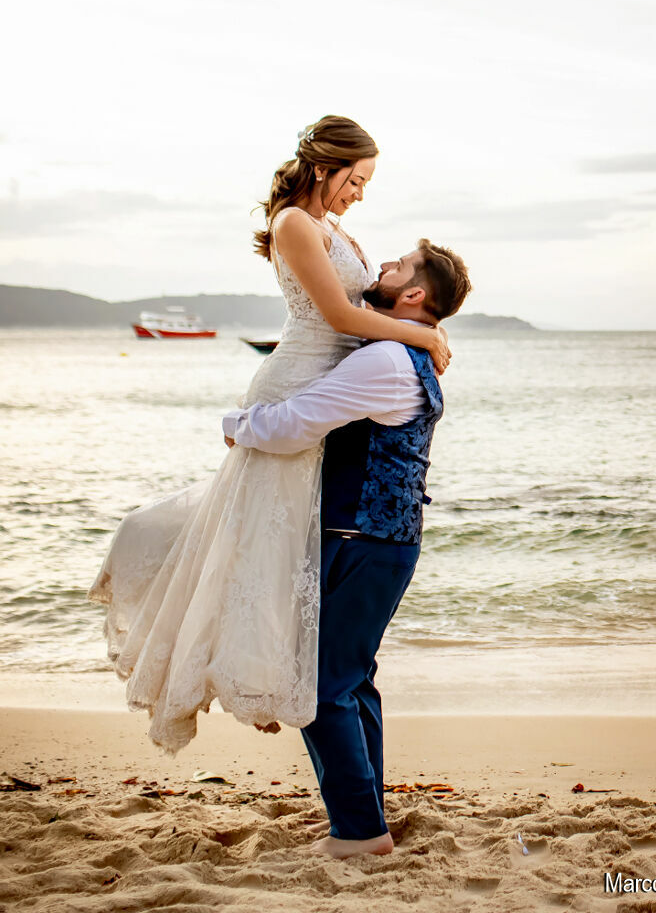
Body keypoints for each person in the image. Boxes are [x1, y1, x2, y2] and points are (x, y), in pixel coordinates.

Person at [89, 117, 449, 754]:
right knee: (265, 544)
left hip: (327, 387)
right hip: (295, 383)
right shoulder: (294, 223)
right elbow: (339, 315)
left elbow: (364, 311)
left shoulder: (334, 227)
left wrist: (418, 332)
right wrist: (424, 334)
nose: (360, 193)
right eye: (356, 179)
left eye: (366, 183)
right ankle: (257, 680)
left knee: (289, 547)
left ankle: (275, 676)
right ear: (324, 167)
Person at [222, 241, 470, 858]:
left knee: (324, 685)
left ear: (414, 294)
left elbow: (296, 423)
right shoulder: (405, 352)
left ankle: (359, 833)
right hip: (383, 539)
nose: (382, 267)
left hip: (361, 539)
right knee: (352, 680)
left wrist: (236, 426)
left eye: (397, 267)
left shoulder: (386, 359)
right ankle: (364, 819)